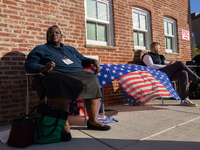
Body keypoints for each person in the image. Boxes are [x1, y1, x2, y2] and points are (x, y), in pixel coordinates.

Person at [25, 25, 111, 142]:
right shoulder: (40, 49)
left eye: (56, 32)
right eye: (50, 33)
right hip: (56, 75)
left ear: (61, 36)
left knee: (92, 78)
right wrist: (42, 68)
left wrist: (93, 60)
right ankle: (64, 124)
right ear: (47, 37)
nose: (54, 34)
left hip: (77, 74)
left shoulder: (70, 49)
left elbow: (82, 59)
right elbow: (29, 64)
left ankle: (93, 120)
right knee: (58, 80)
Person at [141, 42, 200, 107]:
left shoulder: (160, 57)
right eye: (159, 48)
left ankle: (184, 99)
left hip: (164, 74)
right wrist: (166, 66)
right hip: (155, 75)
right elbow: (151, 66)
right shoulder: (147, 56)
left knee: (183, 73)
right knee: (180, 64)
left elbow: (166, 63)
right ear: (155, 47)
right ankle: (197, 80)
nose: (160, 50)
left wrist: (172, 64)